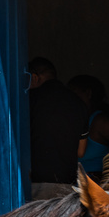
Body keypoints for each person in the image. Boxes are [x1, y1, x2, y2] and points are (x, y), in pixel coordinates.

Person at [26, 57, 90, 200]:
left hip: (36, 183)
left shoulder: (29, 99)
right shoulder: (78, 103)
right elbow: (81, 151)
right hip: (68, 186)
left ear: (34, 77)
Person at [69, 75, 109, 177]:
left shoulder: (100, 122)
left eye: (73, 93)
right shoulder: (78, 121)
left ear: (88, 93)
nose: (69, 98)